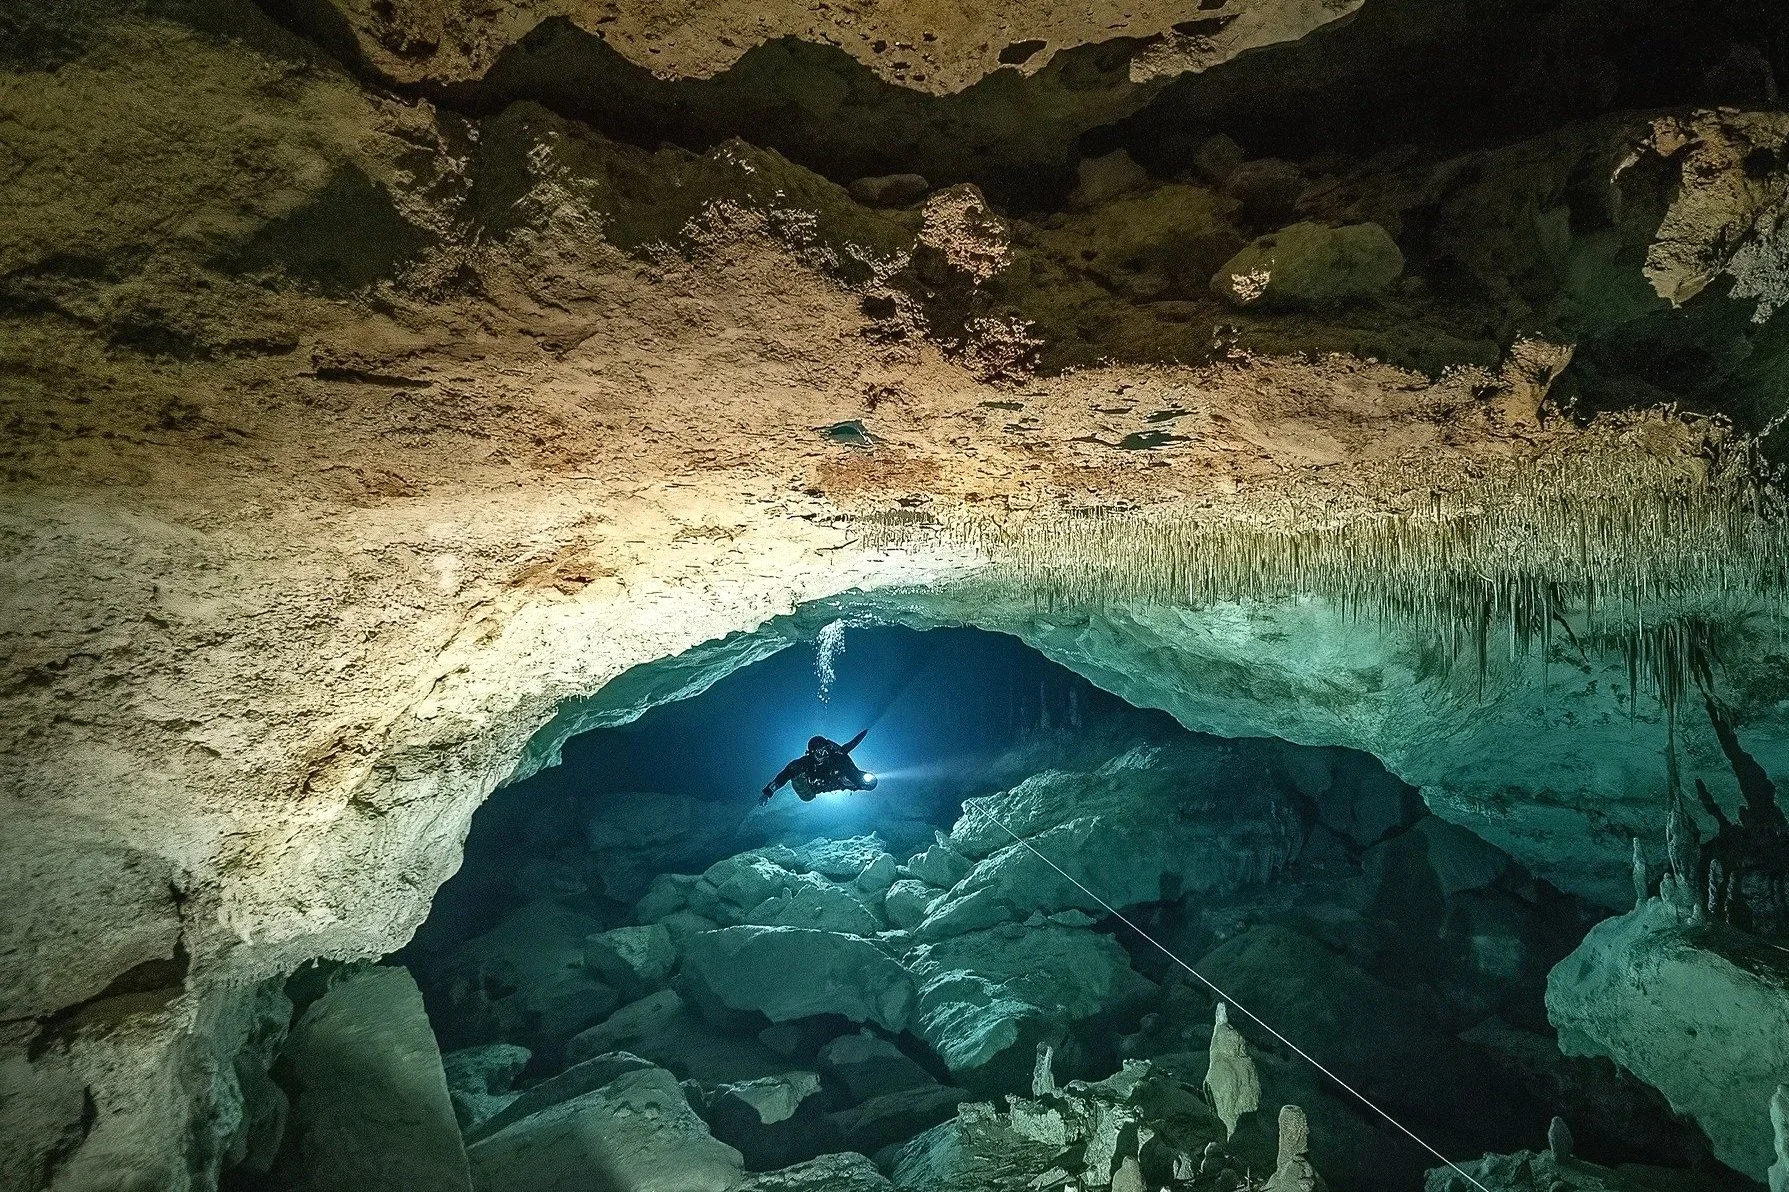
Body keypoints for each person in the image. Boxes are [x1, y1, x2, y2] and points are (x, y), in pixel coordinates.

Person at [762, 729, 877, 803]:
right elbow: (783, 776)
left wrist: (862, 782)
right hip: (812, 789)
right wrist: (768, 793)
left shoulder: (836, 757)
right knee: (806, 794)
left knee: (866, 780)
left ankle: (856, 782)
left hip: (835, 782)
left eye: (826, 751)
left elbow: (851, 745)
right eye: (819, 753)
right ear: (812, 753)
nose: (824, 755)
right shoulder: (803, 764)